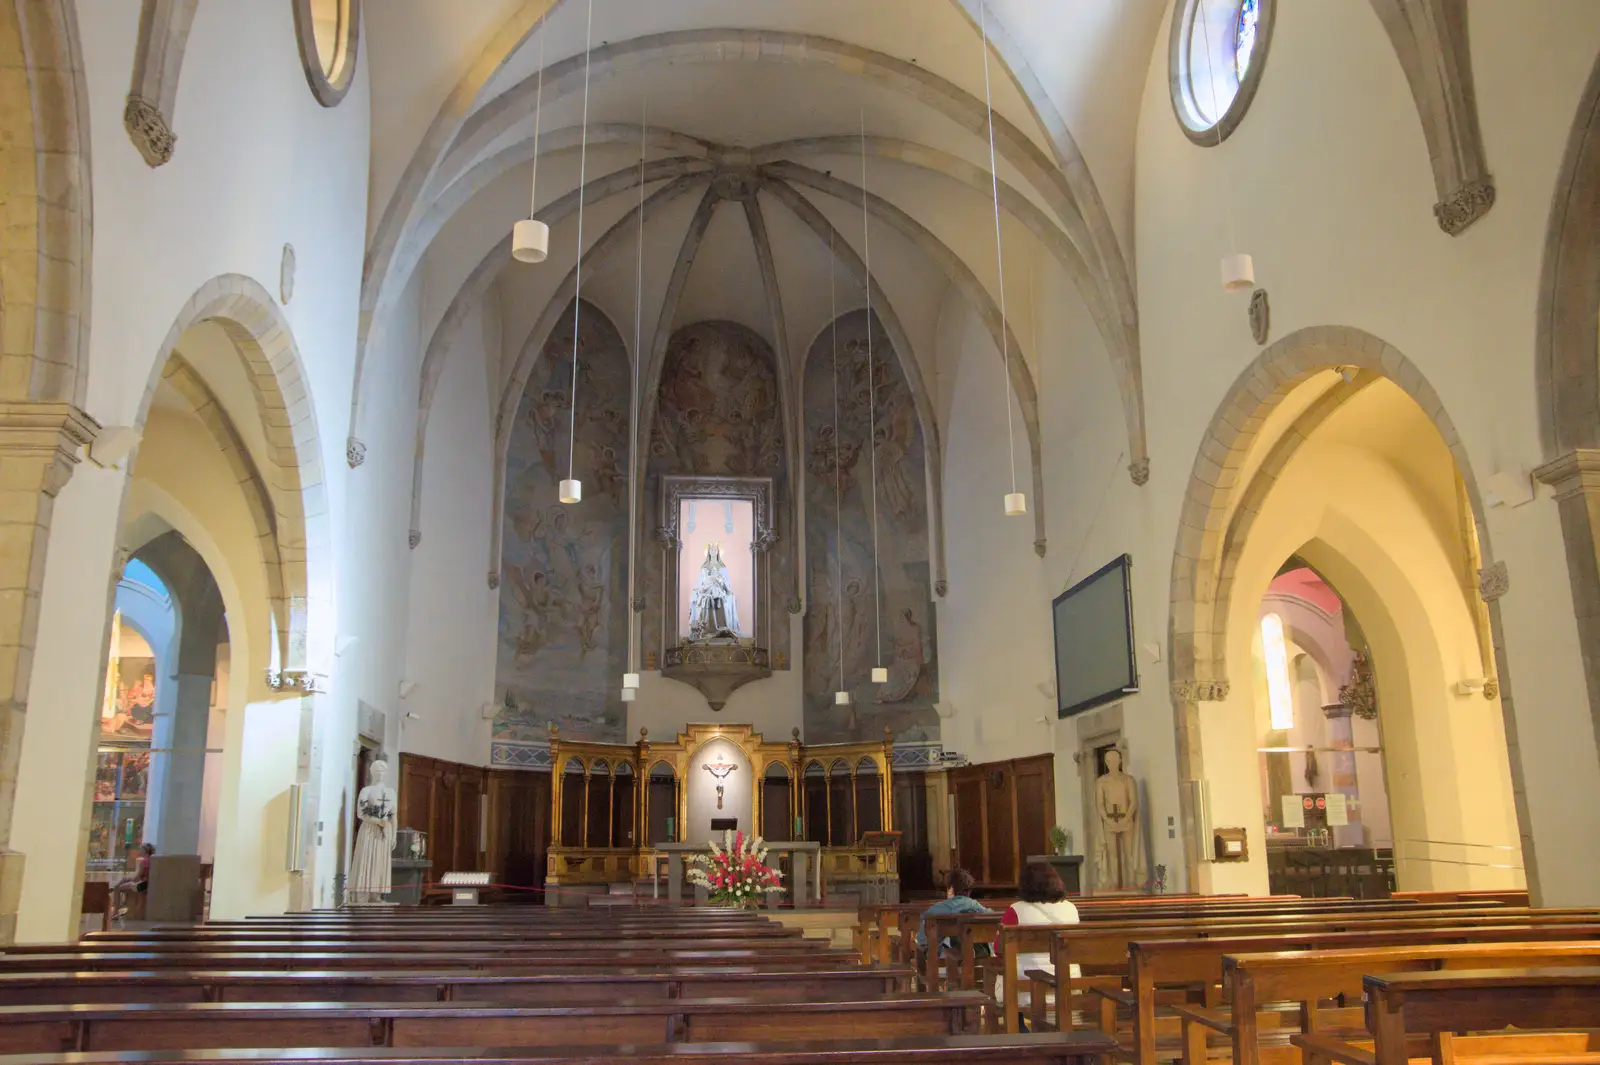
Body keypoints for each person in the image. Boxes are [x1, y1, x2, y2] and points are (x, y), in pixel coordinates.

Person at [997, 862, 1081, 1029]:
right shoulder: (1071, 908)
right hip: (1067, 982)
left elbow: (999, 949)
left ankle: (1019, 1030)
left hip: (1026, 986)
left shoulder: (1015, 910)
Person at [915, 867, 993, 953]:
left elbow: (922, 940)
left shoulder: (935, 910)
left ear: (951, 889)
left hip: (939, 959)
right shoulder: (976, 906)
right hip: (976, 957)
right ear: (969, 892)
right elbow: (992, 919)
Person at [113, 842, 154, 919]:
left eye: (140, 849)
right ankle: (122, 903)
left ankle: (116, 912)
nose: (138, 850)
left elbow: (137, 878)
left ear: (145, 851)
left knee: (118, 888)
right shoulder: (151, 860)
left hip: (143, 886)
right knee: (124, 880)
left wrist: (127, 882)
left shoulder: (144, 862)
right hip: (147, 883)